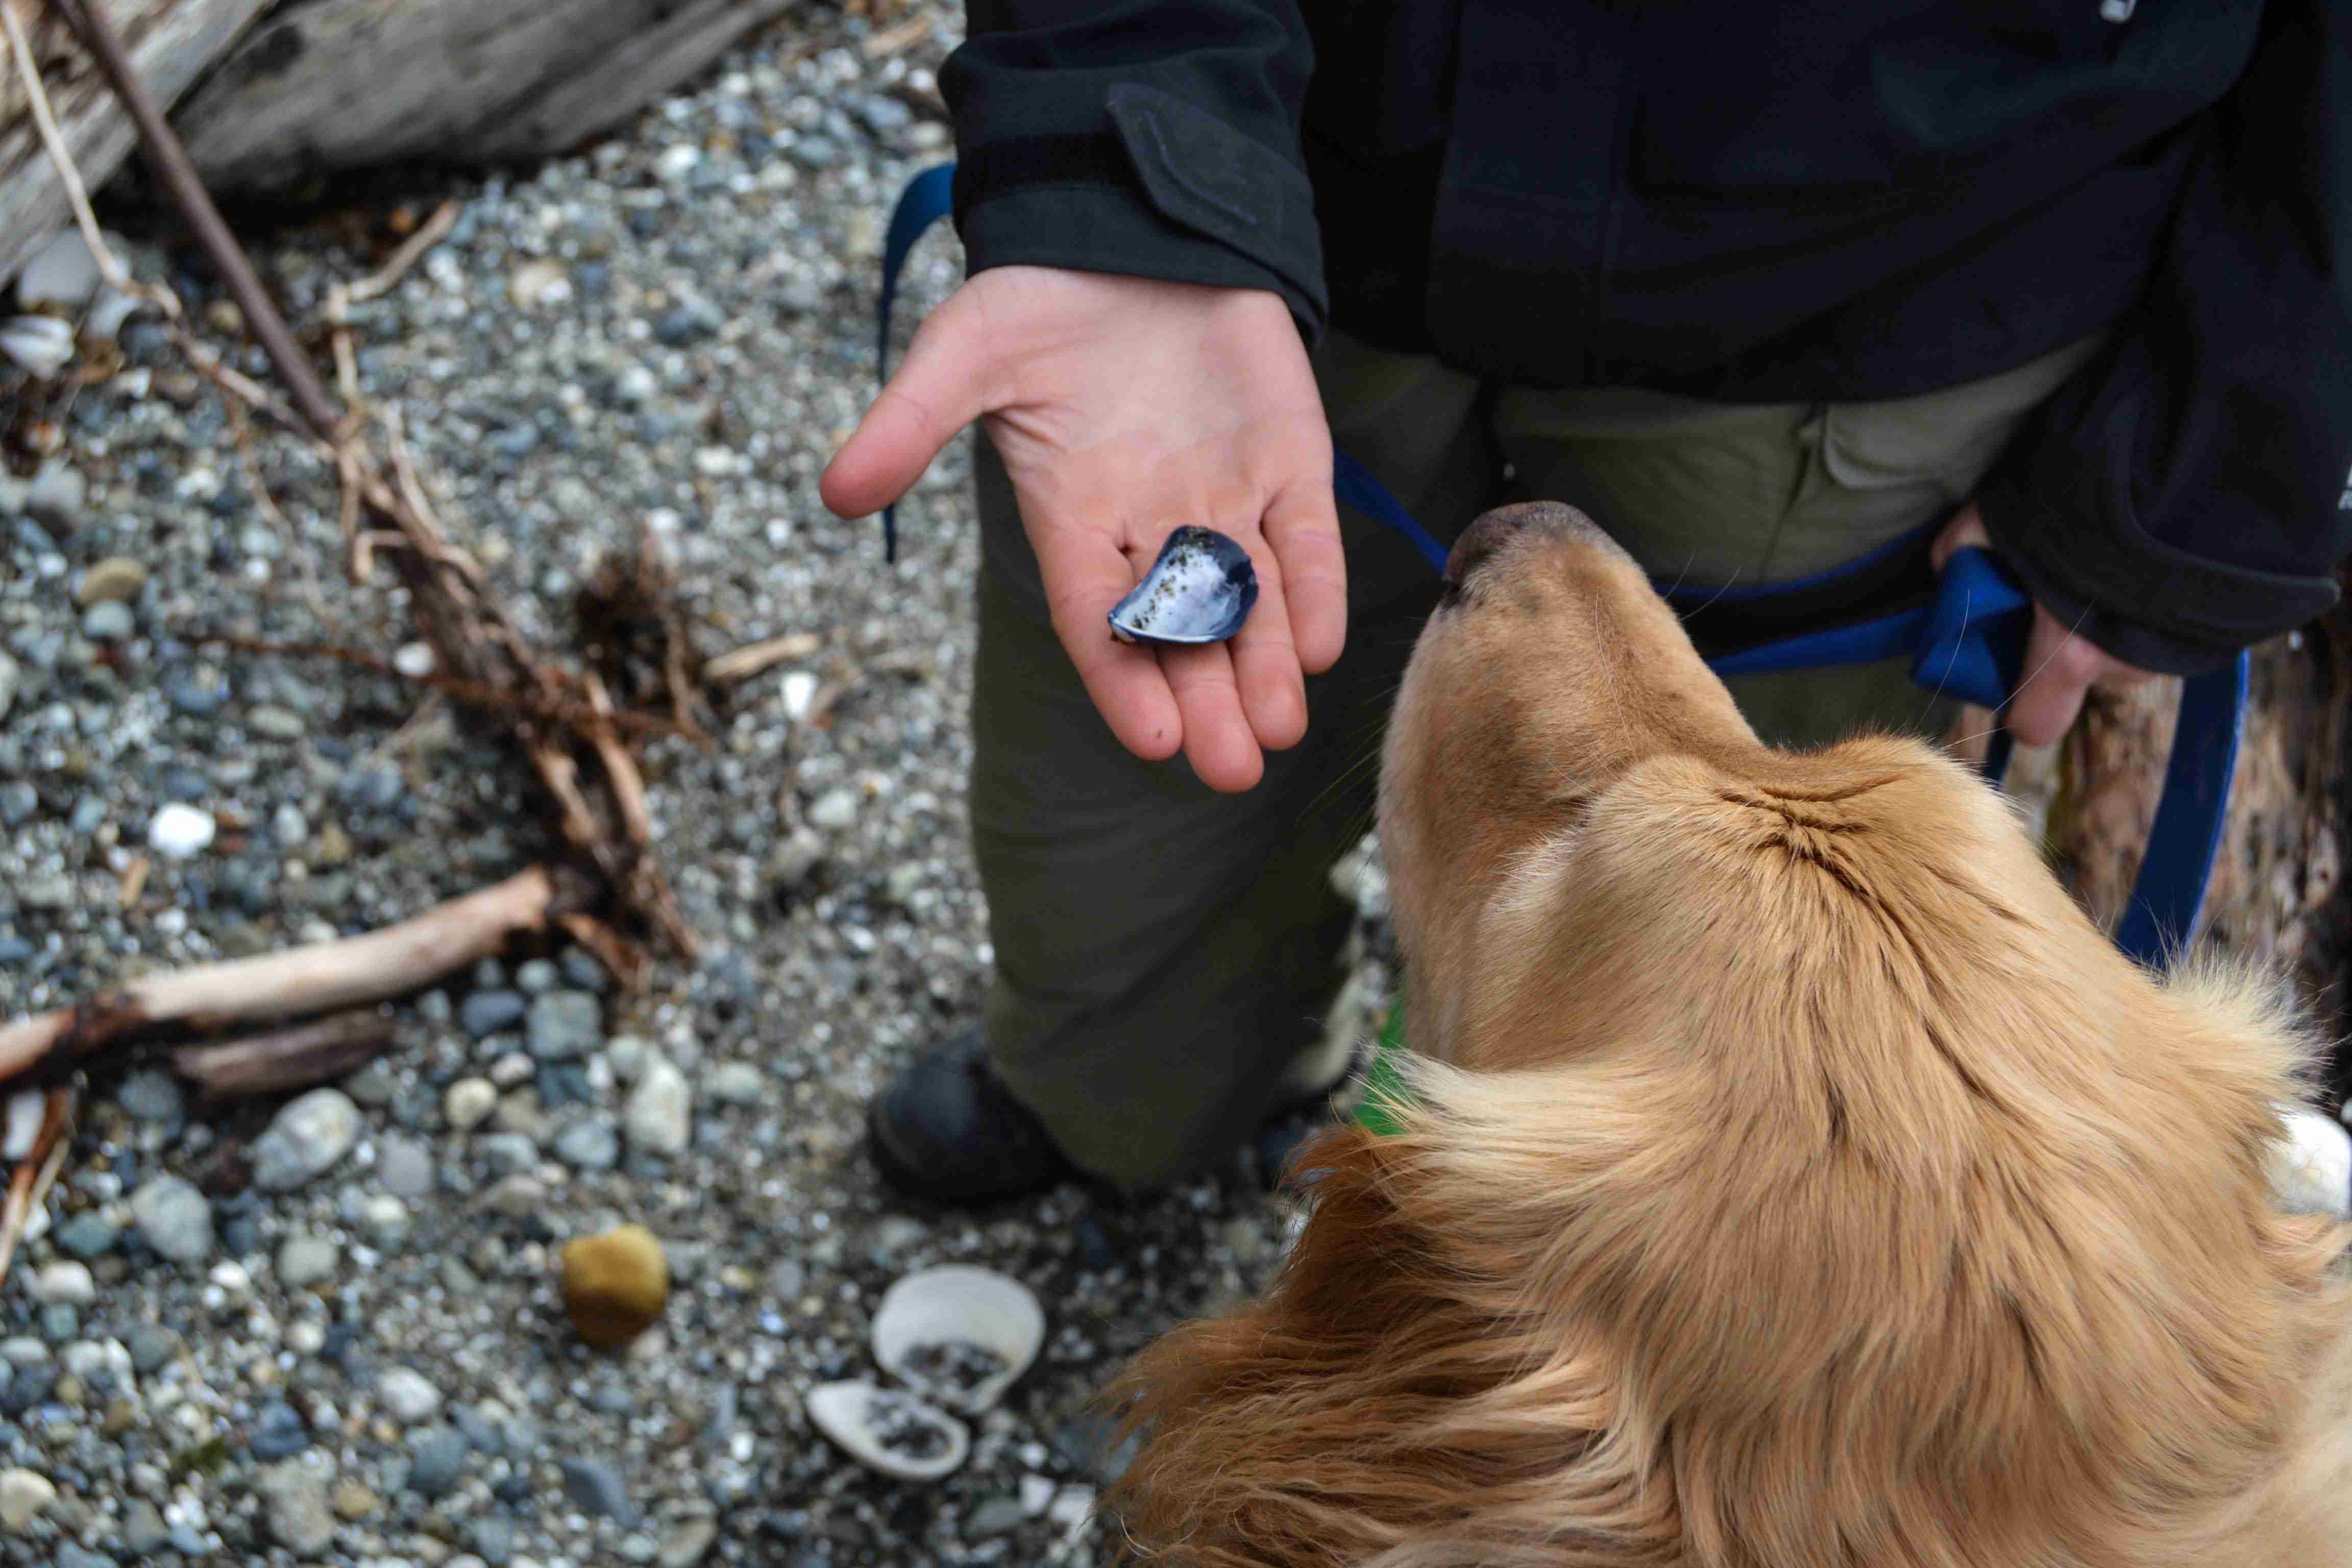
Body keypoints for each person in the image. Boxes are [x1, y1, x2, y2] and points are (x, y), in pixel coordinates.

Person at [820, 2, 2352, 1206]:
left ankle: (1501, 1325)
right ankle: (1130, 1111)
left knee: (1718, 1003)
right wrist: (1118, 164)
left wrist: (2211, 464)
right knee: (1120, 844)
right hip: (1271, 191)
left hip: (1908, 278)